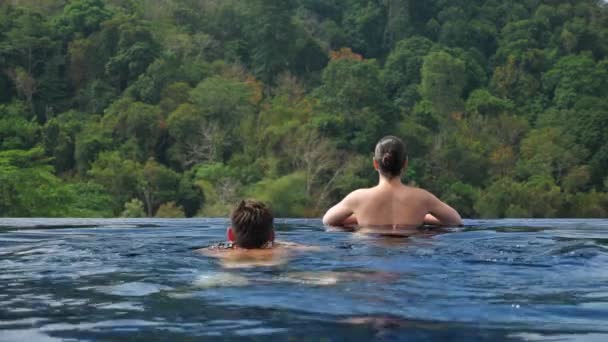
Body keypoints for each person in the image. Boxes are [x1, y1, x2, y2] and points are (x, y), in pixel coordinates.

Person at [322, 136, 462, 229]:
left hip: (369, 253)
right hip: (409, 256)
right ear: (405, 163)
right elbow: (455, 221)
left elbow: (327, 220)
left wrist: (359, 218)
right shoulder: (422, 198)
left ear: (375, 164)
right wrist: (423, 218)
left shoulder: (358, 198)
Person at [197, 199, 317, 267]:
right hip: (270, 272)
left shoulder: (217, 250)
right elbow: (318, 250)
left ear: (230, 235)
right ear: (272, 236)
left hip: (235, 268)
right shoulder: (283, 249)